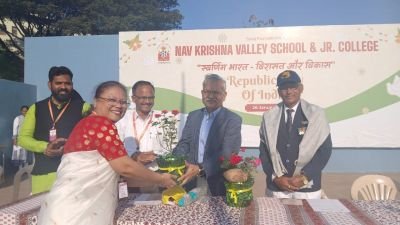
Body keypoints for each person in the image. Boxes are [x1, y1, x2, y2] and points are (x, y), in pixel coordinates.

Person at [38, 81, 176, 225]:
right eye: (111, 100)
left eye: (123, 102)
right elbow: (125, 167)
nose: (118, 105)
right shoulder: (100, 124)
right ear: (96, 101)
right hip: (76, 211)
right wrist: (161, 179)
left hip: (74, 207)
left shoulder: (91, 123)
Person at [259, 70, 332, 199]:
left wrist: (305, 177)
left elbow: (324, 150)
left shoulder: (316, 114)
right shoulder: (269, 116)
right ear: (278, 92)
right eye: (284, 88)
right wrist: (275, 178)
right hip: (278, 187)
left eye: (293, 87)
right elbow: (264, 152)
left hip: (307, 187)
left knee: (310, 220)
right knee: (275, 219)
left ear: (300, 88)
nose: (288, 92)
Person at [18, 66, 91, 194]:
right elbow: (23, 139)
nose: (63, 87)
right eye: (58, 83)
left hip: (75, 175)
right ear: (49, 84)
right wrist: (44, 147)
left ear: (72, 85)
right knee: (43, 212)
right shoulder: (36, 108)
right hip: (43, 176)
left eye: (67, 83)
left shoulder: (84, 108)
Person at [173, 73, 242, 196]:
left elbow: (227, 153)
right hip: (190, 180)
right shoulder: (194, 116)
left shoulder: (232, 119)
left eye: (216, 93)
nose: (210, 96)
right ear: (202, 93)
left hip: (217, 182)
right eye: (207, 92)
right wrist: (179, 162)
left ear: (224, 95)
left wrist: (200, 168)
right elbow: (184, 143)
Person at [116, 80, 162, 192]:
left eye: (150, 98)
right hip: (130, 176)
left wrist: (156, 155)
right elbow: (116, 148)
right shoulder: (122, 119)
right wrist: (135, 157)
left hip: (155, 176)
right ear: (134, 99)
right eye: (143, 98)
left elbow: (169, 147)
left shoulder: (162, 119)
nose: (147, 101)